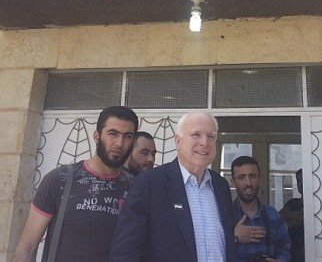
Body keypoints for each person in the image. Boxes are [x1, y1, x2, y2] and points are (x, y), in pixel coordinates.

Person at [13, 106, 138, 262]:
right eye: (113, 134)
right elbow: (27, 247)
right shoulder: (61, 180)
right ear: (97, 136)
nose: (119, 143)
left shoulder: (137, 188)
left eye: (128, 136)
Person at [109, 110, 236, 262]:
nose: (204, 142)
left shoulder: (220, 186)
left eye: (211, 137)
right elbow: (125, 253)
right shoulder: (149, 184)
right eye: (196, 135)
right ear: (178, 141)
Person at [232, 156, 291, 262]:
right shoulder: (224, 216)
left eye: (252, 176)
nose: (248, 183)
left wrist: (280, 260)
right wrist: (234, 237)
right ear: (233, 182)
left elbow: (285, 246)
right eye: (242, 177)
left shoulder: (273, 215)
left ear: (260, 180)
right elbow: (211, 248)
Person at [279, 169, 304, 262]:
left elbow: (299, 219)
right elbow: (278, 219)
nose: (301, 183)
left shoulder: (315, 205)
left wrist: (287, 220)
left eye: (304, 180)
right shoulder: (292, 203)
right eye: (299, 181)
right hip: (291, 253)